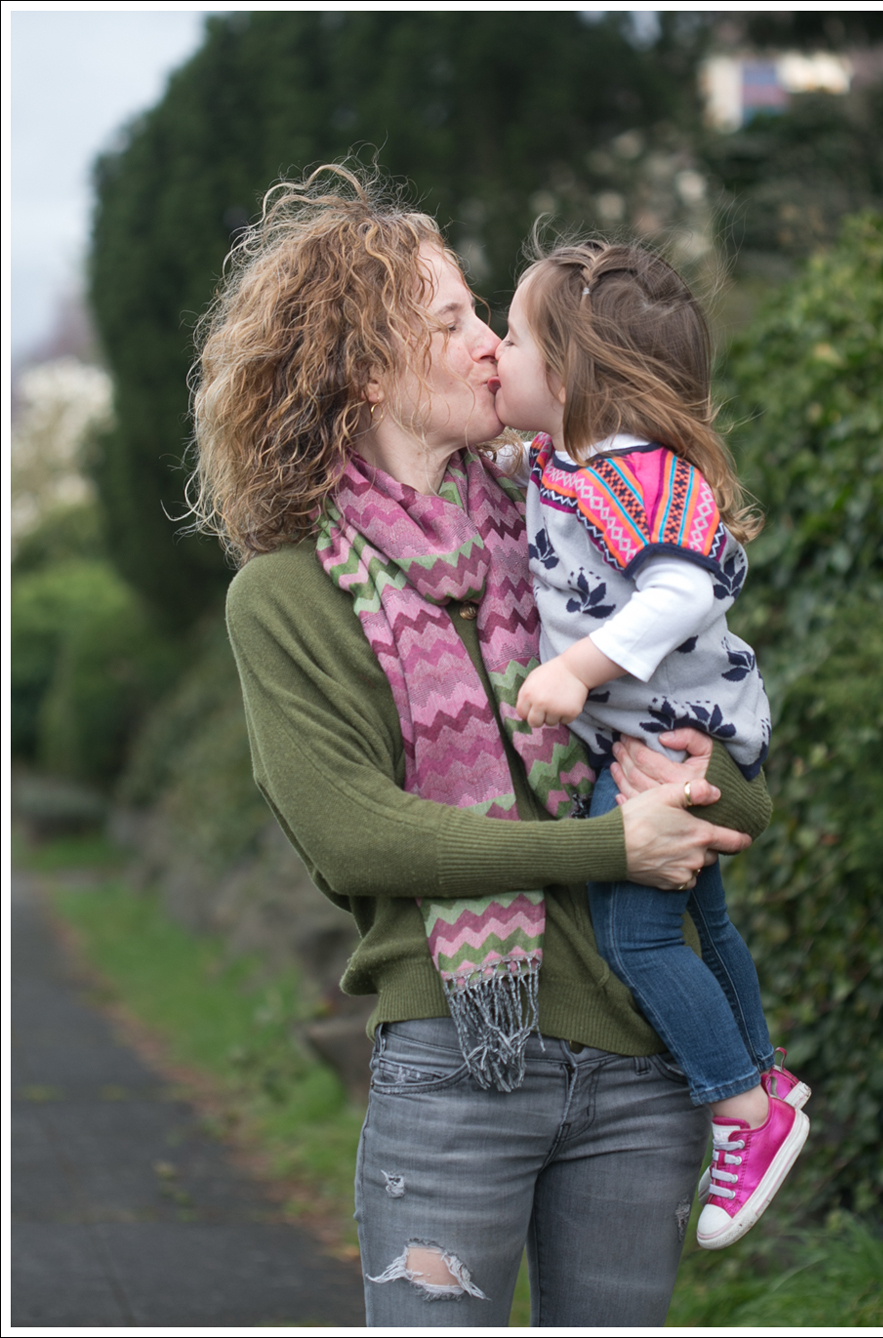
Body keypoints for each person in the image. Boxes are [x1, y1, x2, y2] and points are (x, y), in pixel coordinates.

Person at [190, 165, 773, 1326]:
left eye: (486, 318)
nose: (489, 347)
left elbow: (736, 775)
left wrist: (699, 785)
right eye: (453, 319)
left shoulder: (569, 527)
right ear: (367, 367)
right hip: (455, 1065)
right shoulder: (288, 596)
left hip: (643, 1060)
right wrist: (612, 845)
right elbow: (359, 837)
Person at [494, 238, 810, 1250]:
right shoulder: (565, 460)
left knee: (637, 940)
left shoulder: (641, 473)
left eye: (511, 338)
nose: (495, 352)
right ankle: (764, 1079)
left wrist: (577, 671)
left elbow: (689, 586)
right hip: (659, 737)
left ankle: (740, 1112)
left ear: (570, 372)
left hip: (680, 735)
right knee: (706, 924)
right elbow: (524, 483)